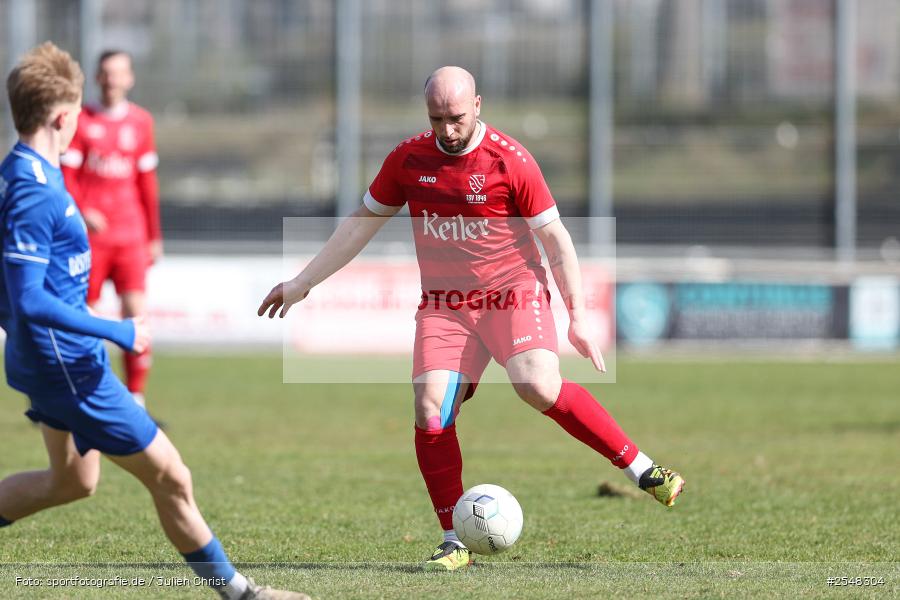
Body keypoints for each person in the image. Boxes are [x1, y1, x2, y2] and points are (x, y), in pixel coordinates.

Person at [259, 66, 685, 571]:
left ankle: (644, 470)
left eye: (456, 117)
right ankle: (453, 539)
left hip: (512, 292)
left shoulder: (510, 160)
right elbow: (359, 226)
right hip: (445, 305)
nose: (447, 129)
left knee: (537, 385)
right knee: (429, 408)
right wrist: (304, 281)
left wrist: (578, 316)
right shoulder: (408, 159)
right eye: (436, 118)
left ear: (477, 105)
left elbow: (556, 240)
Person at [0, 42, 307, 600]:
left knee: (71, 482)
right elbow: (28, 299)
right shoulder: (34, 191)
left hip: (48, 360)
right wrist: (117, 330)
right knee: (172, 476)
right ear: (63, 117)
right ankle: (245, 594)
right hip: (68, 366)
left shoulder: (22, 172)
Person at [61, 49, 160, 409]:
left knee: (136, 313)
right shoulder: (81, 120)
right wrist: (82, 208)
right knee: (83, 314)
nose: (112, 80)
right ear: (97, 78)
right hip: (91, 239)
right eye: (106, 73)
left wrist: (154, 236)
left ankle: (136, 397)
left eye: (119, 73)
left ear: (129, 78)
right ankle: (83, 392)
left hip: (130, 235)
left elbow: (147, 184)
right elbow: (66, 176)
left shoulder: (141, 122)